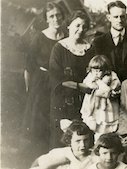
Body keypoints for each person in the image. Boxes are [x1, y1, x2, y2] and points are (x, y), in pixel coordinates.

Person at [22, 2, 65, 154]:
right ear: (46, 19)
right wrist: (30, 91)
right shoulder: (39, 38)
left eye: (58, 15)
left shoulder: (67, 37)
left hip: (61, 84)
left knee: (57, 124)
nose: (56, 19)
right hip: (41, 85)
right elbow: (28, 67)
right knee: (40, 124)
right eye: (51, 16)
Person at [49, 10, 94, 148]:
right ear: (68, 25)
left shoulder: (89, 49)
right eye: (77, 25)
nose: (81, 30)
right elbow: (56, 79)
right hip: (63, 103)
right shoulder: (59, 48)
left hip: (85, 105)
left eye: (84, 26)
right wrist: (80, 86)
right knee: (63, 144)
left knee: (83, 144)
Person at [93, 1, 127, 81]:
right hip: (106, 87)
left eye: (122, 17)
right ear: (109, 17)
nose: (119, 20)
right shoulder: (99, 42)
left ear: (126, 17)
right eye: (116, 17)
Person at [81, 55, 121, 140]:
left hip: (107, 106)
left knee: (105, 125)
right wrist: (94, 82)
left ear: (106, 70)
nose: (96, 73)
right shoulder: (91, 76)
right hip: (93, 105)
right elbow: (87, 85)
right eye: (94, 70)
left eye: (99, 71)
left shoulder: (112, 76)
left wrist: (101, 83)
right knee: (92, 123)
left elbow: (109, 91)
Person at [31, 120, 95, 169]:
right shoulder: (61, 153)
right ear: (69, 140)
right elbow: (37, 163)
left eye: (86, 140)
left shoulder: (95, 156)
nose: (83, 145)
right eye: (78, 141)